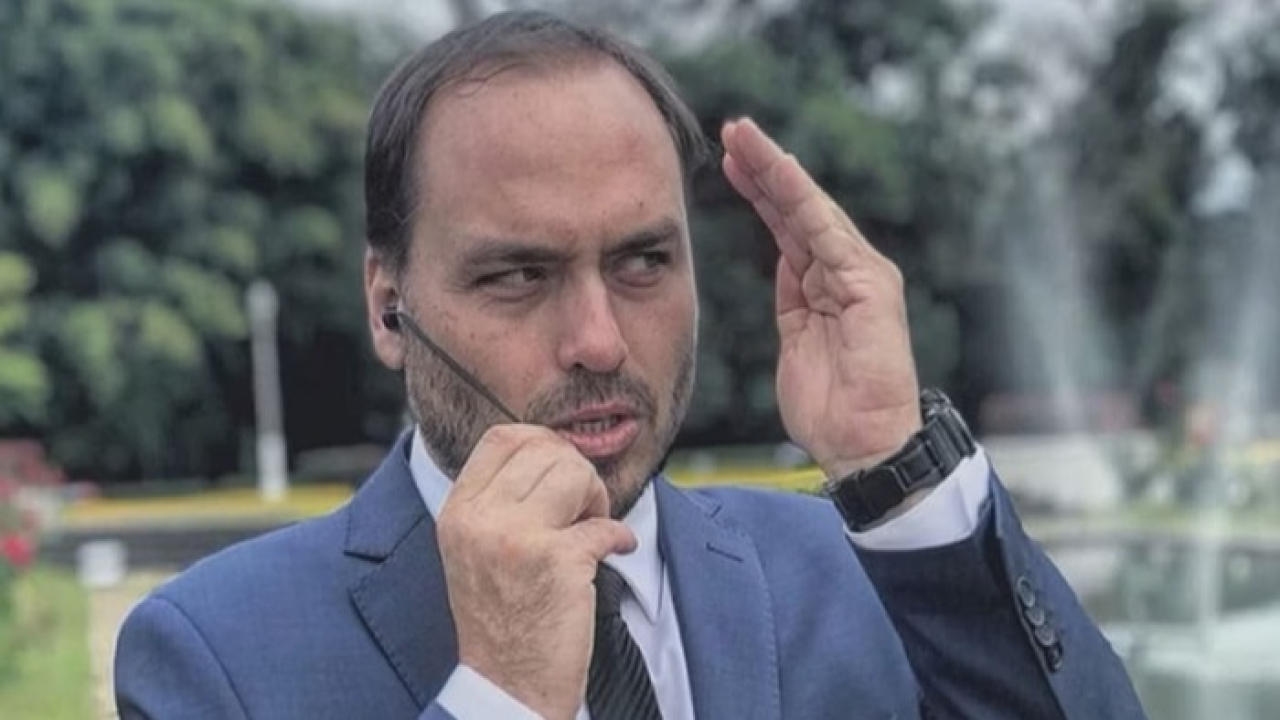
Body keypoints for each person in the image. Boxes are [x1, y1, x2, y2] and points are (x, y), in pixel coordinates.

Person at [114, 10, 1146, 720]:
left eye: (642, 262)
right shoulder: (216, 652)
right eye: (518, 275)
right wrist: (501, 698)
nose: (600, 340)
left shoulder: (852, 567)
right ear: (389, 305)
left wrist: (898, 469)